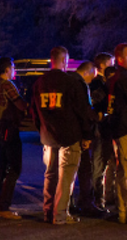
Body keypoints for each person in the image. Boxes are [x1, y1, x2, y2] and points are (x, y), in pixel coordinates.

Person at [31, 47, 94, 224]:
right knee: (66, 176)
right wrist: (86, 135)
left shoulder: (39, 83)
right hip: (69, 136)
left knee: (50, 175)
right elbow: (82, 111)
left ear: (51, 60)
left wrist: (42, 130)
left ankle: (48, 211)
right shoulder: (71, 83)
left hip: (48, 136)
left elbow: (34, 112)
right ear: (65, 60)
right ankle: (60, 215)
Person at [0, 57, 27, 219]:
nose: (14, 71)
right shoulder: (7, 85)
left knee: (2, 168)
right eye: (13, 68)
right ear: (7, 70)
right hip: (9, 130)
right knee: (14, 168)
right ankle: (4, 207)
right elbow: (20, 105)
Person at [106, 43, 127, 224]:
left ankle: (123, 210)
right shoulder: (125, 79)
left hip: (117, 131)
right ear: (120, 58)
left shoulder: (114, 78)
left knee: (122, 170)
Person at [71, 61, 106, 217]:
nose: (93, 79)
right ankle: (86, 203)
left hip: (66, 133)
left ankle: (69, 203)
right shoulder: (81, 85)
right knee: (85, 169)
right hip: (79, 133)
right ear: (87, 72)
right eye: (93, 75)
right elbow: (85, 110)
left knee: (68, 171)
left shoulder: (68, 82)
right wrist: (88, 133)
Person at [90, 52, 116, 210]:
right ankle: (98, 198)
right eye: (111, 63)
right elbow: (98, 107)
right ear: (103, 65)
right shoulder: (98, 85)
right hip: (100, 128)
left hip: (103, 128)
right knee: (99, 164)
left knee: (103, 163)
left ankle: (104, 196)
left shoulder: (99, 83)